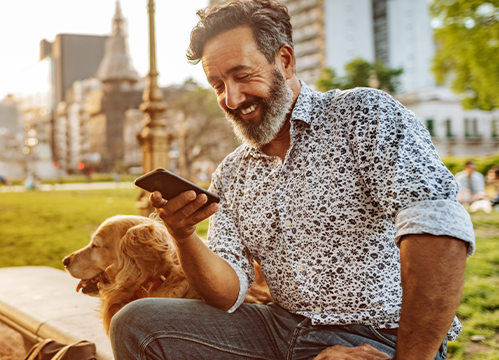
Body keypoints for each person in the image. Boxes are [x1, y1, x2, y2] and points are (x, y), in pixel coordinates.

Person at [110, 2, 476, 360]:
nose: (232, 98)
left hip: (379, 335)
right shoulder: (232, 173)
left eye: (242, 75)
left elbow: (437, 227)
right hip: (279, 327)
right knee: (135, 323)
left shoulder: (364, 115)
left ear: (284, 61)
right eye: (218, 84)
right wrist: (184, 235)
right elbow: (227, 293)